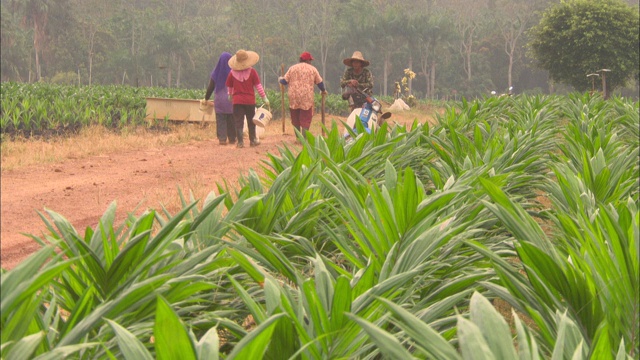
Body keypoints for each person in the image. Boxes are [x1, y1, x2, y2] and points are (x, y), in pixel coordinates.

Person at [225, 49, 269, 148]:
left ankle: (240, 142)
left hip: (237, 101)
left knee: (238, 121)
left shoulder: (232, 73)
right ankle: (253, 140)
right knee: (251, 120)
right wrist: (264, 98)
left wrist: (230, 95)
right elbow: (258, 86)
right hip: (249, 101)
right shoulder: (252, 72)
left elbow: (230, 87)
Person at [278, 51, 327, 138]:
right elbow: (320, 83)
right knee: (306, 117)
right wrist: (323, 90)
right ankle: (304, 138)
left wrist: (280, 79)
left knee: (295, 116)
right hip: (306, 96)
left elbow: (284, 81)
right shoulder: (313, 69)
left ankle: (298, 138)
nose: (311, 62)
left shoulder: (292, 68)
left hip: (293, 96)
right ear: (308, 60)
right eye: (310, 60)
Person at [201, 52, 236, 145]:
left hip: (219, 100)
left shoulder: (216, 73)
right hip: (231, 99)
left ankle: (222, 139)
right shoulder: (234, 72)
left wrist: (206, 98)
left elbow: (210, 87)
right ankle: (232, 138)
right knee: (231, 119)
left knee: (221, 119)